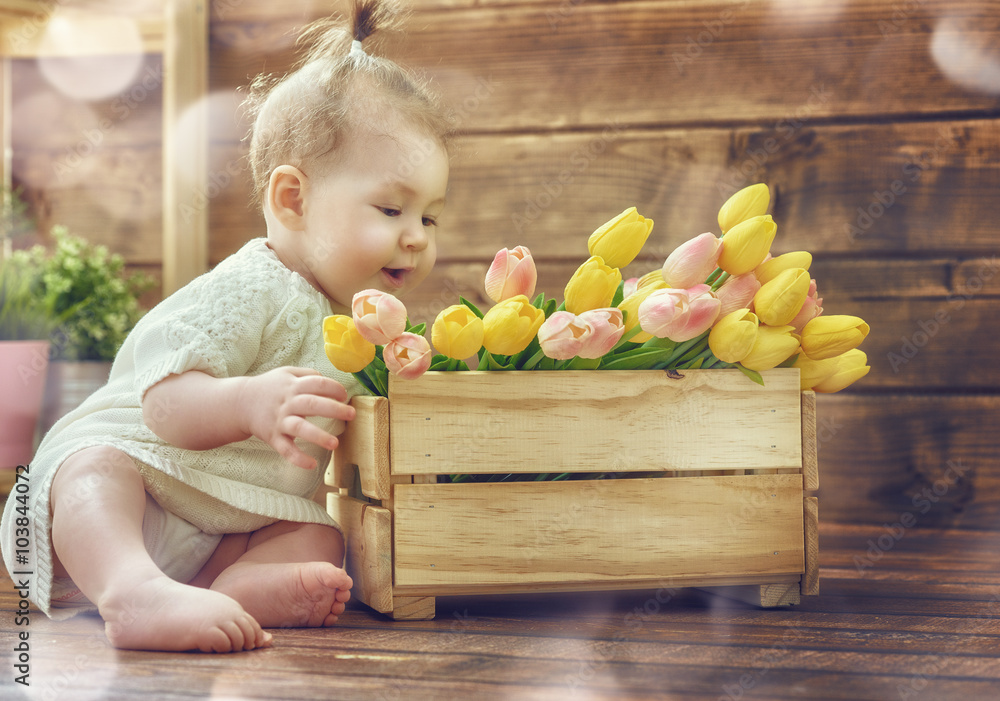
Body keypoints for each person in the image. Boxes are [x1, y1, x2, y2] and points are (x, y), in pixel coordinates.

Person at [0, 0, 452, 653]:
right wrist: (249, 399)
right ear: (291, 199)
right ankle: (128, 587)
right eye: (391, 208)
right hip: (142, 482)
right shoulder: (251, 286)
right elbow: (164, 405)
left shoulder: (356, 328)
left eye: (430, 218)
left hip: (224, 518)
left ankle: (228, 589)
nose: (414, 239)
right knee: (91, 469)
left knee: (324, 534)